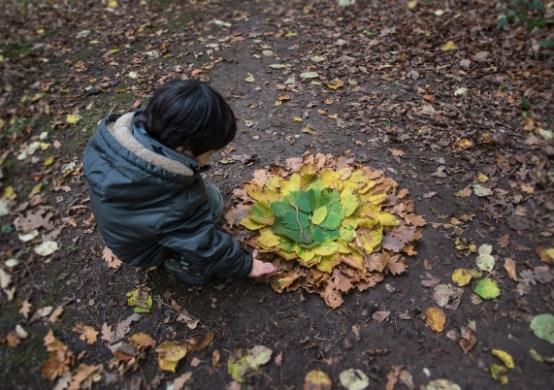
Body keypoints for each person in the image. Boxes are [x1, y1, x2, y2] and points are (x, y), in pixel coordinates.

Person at [83, 79, 275, 284]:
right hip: (144, 251)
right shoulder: (173, 203)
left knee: (206, 200)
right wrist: (244, 265)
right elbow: (202, 244)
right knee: (213, 203)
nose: (210, 159)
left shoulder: (117, 143)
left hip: (126, 231)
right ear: (183, 148)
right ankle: (182, 263)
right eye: (210, 153)